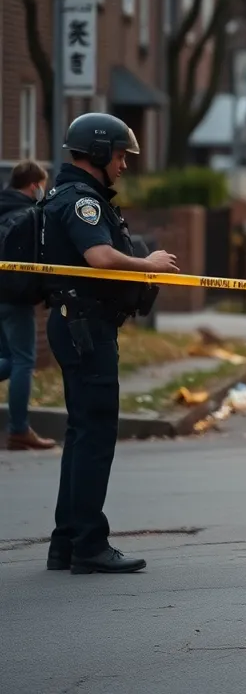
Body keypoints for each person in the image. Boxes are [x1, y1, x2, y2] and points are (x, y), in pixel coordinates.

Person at [42, 113, 179, 575]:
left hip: (73, 323)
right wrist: (148, 263)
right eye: (120, 155)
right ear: (98, 154)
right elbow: (99, 257)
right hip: (86, 328)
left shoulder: (64, 194)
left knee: (81, 435)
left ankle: (66, 542)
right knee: (96, 435)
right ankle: (89, 544)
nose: (123, 165)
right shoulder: (83, 201)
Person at [0, 161, 56, 451]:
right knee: (23, 361)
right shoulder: (29, 215)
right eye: (42, 186)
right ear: (35, 185)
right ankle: (19, 430)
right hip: (14, 297)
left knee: (7, 360)